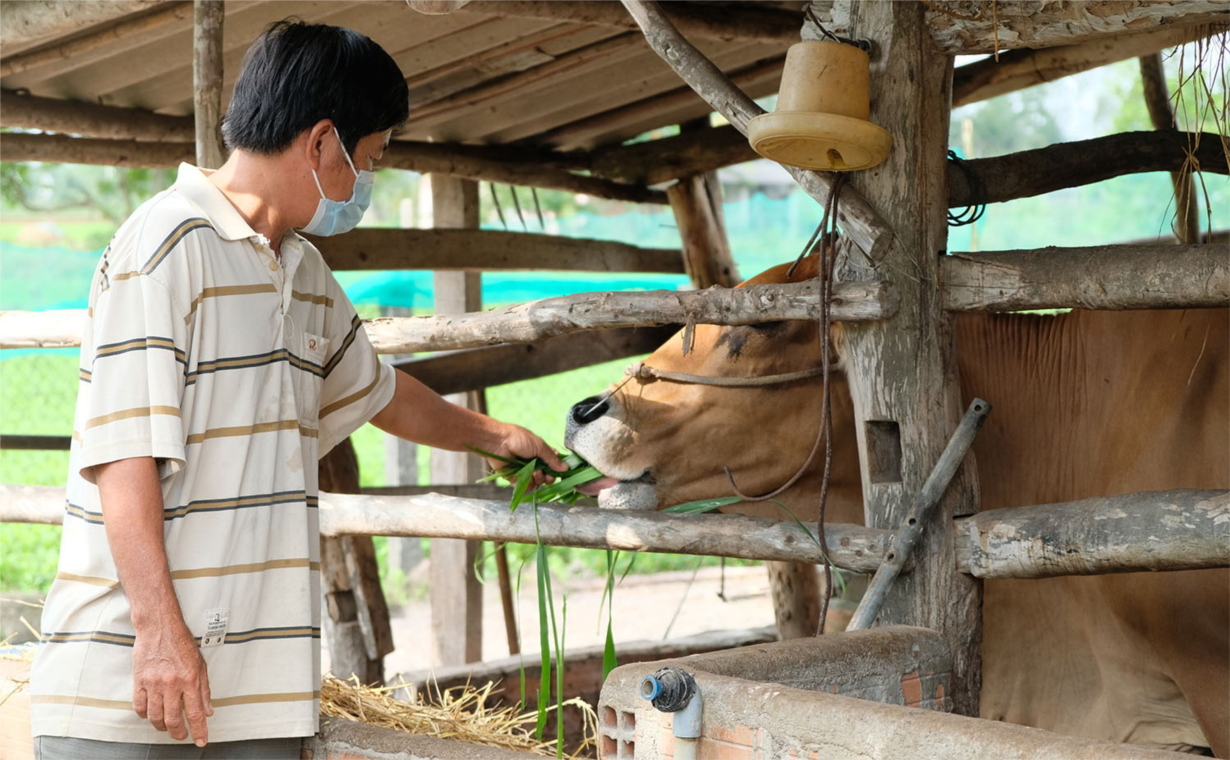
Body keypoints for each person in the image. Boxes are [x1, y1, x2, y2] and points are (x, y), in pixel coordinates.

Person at [29, 20, 564, 760]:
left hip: (256, 695)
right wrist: (157, 634)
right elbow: (123, 456)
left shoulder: (302, 270)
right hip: (133, 689)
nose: (366, 186)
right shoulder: (163, 247)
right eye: (368, 160)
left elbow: (376, 391)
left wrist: (496, 439)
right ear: (320, 144)